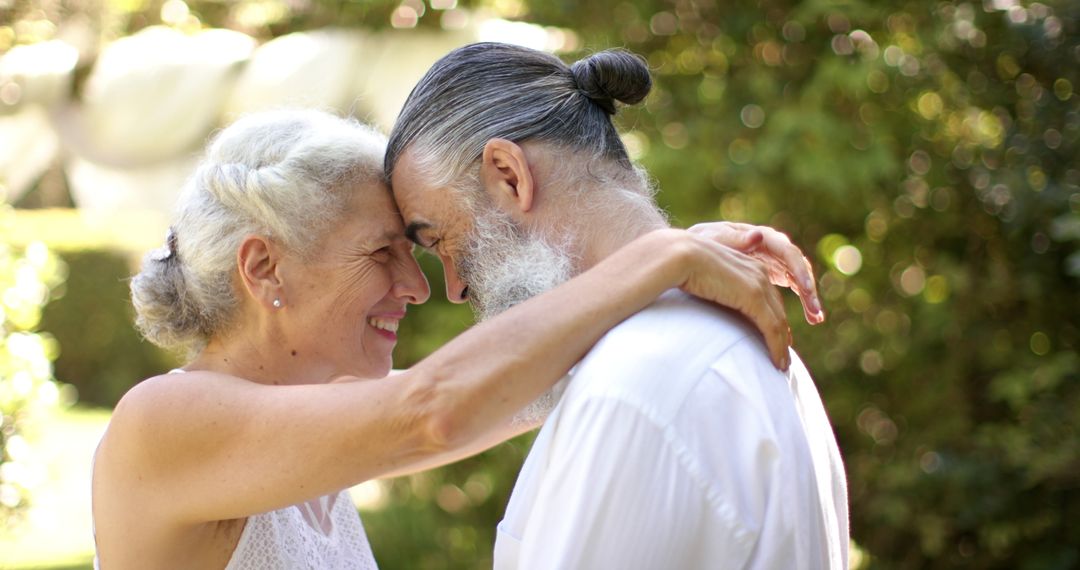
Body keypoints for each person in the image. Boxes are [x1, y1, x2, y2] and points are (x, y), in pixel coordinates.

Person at [92, 109, 823, 568]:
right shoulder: (162, 424)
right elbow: (433, 412)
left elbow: (497, 400)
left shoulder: (299, 429)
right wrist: (656, 257)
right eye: (383, 253)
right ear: (263, 267)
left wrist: (663, 266)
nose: (416, 286)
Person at [384, 43, 848, 568]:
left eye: (443, 240)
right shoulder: (725, 338)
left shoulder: (630, 388)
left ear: (509, 175)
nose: (454, 287)